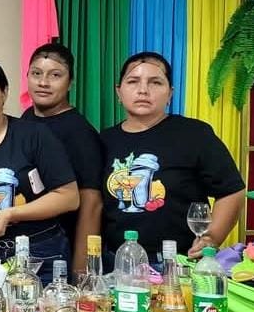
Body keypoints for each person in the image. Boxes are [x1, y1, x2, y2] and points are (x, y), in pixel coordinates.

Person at [100, 51, 244, 264]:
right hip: (116, 263)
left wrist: (211, 238)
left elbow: (231, 191)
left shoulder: (194, 134)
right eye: (133, 81)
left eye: (155, 82)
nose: (143, 90)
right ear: (118, 92)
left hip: (176, 263)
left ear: (170, 94)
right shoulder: (103, 141)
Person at [0, 58, 79, 286]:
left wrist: (11, 214)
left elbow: (69, 197)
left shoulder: (35, 135)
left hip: (40, 253)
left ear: (4, 93)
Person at [21, 43, 103, 280]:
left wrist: (81, 271)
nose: (43, 82)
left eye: (55, 75)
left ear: (70, 83)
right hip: (29, 244)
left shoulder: (79, 132)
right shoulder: (26, 119)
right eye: (36, 73)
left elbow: (92, 203)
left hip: (62, 249)